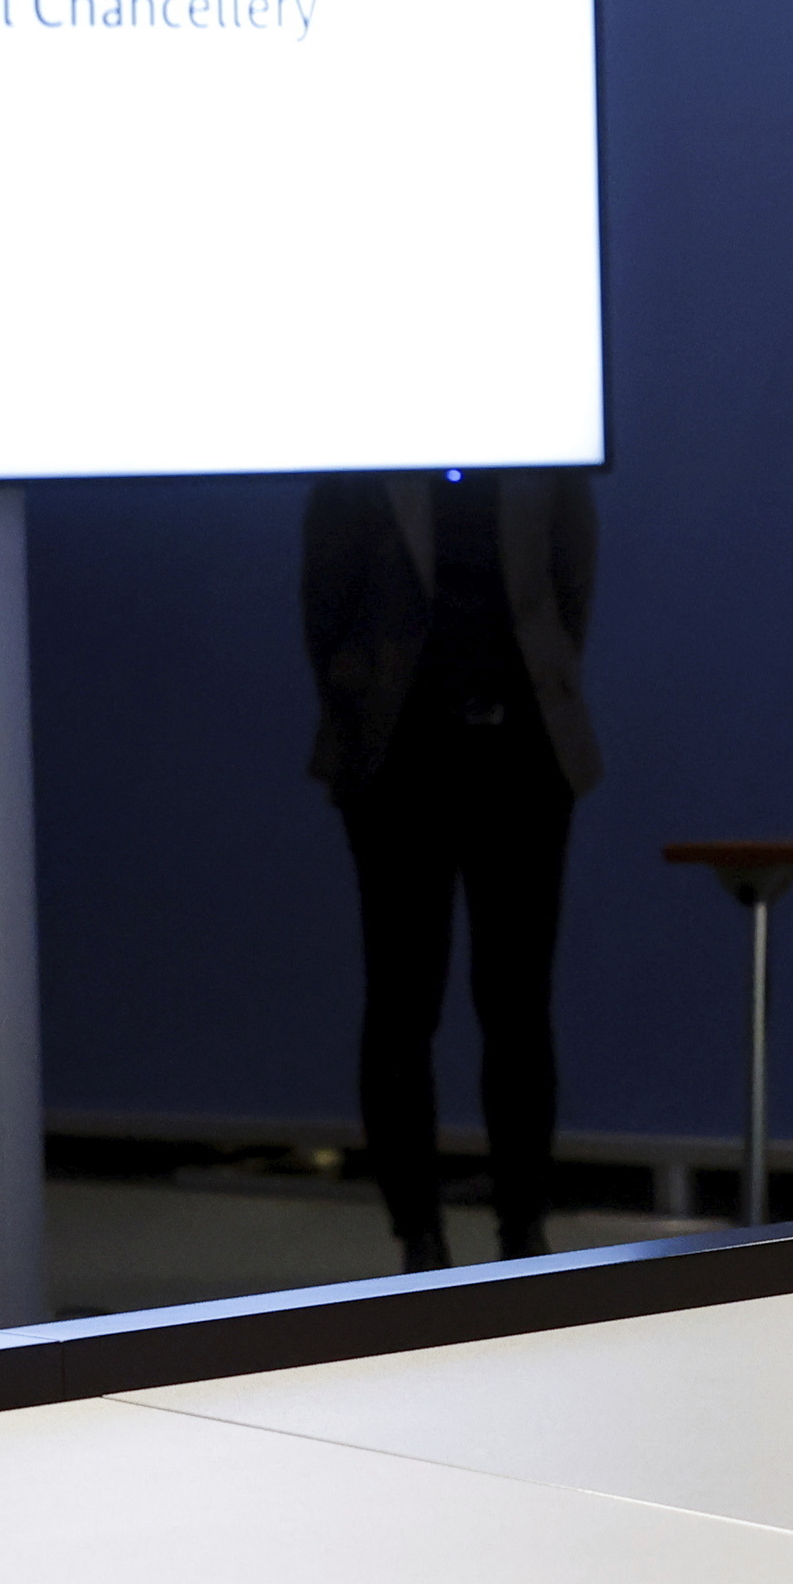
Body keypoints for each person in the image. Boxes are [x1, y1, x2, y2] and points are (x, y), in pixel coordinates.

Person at [301, 466, 601, 1269]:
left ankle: (522, 1228)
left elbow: (571, 584)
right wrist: (363, 707)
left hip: (527, 755)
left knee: (518, 1003)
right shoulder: (366, 446)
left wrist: (543, 685)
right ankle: (419, 1235)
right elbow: (324, 597)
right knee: (403, 1002)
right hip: (399, 760)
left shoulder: (548, 445)